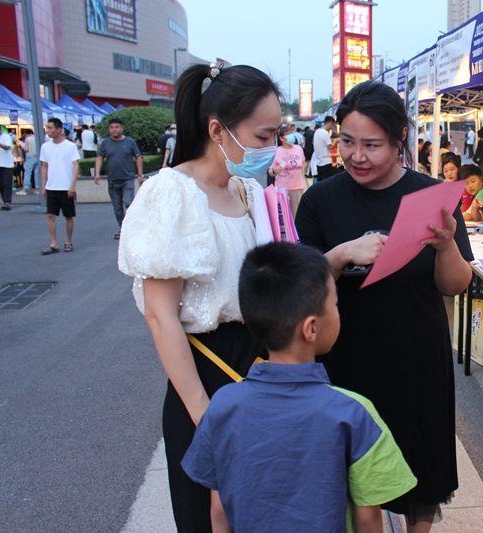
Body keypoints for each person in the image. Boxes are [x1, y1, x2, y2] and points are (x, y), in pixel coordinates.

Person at [295, 80, 472, 531]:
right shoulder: (320, 199)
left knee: (421, 464)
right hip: (343, 354)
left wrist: (448, 245)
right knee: (349, 467)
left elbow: (455, 284)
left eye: (372, 145)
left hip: (416, 351)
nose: (357, 155)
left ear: (399, 142)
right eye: (347, 142)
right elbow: (298, 285)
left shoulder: (431, 196)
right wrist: (339, 256)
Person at [117, 63, 281, 532]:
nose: (272, 148)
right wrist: (203, 414)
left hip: (259, 368)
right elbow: (160, 316)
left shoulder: (248, 190)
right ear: (218, 129)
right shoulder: (172, 194)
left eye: (276, 135)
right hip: (207, 374)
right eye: (264, 135)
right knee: (205, 518)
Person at [182, 242, 417, 532]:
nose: (337, 312)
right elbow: (367, 517)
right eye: (335, 305)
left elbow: (219, 510)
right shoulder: (352, 412)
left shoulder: (223, 405)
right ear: (311, 328)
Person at [95, 117, 143, 240]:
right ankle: (122, 228)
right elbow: (100, 158)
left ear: (121, 128)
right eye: (111, 127)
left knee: (128, 203)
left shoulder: (130, 142)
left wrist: (140, 174)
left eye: (116, 127)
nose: (114, 130)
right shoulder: (105, 143)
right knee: (117, 208)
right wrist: (97, 173)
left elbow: (138, 157)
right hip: (112, 180)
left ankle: (132, 227)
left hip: (127, 178)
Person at [40, 117, 80, 254]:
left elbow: (75, 166)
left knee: (68, 216)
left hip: (66, 187)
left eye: (51, 128)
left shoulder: (70, 146)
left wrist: (72, 186)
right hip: (51, 187)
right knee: (50, 215)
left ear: (59, 129)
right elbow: (44, 167)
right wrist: (44, 185)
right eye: (47, 128)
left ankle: (68, 241)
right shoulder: (45, 146)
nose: (48, 130)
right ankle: (53, 243)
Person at [268, 125, 306, 215]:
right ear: (281, 138)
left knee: (297, 215)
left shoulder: (298, 148)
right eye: (288, 134)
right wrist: (275, 171)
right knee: (284, 216)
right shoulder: (278, 151)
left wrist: (302, 177)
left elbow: (303, 163)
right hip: (283, 188)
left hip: (297, 187)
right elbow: (270, 171)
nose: (291, 136)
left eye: (291, 133)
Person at [314, 116, 340, 181]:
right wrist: (336, 141)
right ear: (330, 123)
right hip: (326, 164)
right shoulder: (325, 133)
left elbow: (323, 144)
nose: (333, 127)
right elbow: (330, 147)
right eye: (333, 125)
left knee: (322, 184)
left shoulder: (317, 132)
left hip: (319, 163)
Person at [0, 123, 14, 210]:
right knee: (0, 184)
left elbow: (7, 147)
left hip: (7, 164)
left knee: (7, 183)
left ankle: (8, 202)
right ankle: (5, 202)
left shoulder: (6, 137)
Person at [15, 129, 39, 196]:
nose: (23, 135)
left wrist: (21, 146)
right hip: (38, 157)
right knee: (37, 173)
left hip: (30, 157)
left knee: (27, 173)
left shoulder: (27, 139)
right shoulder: (37, 138)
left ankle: (25, 189)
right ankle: (37, 189)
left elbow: (26, 149)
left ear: (26, 133)